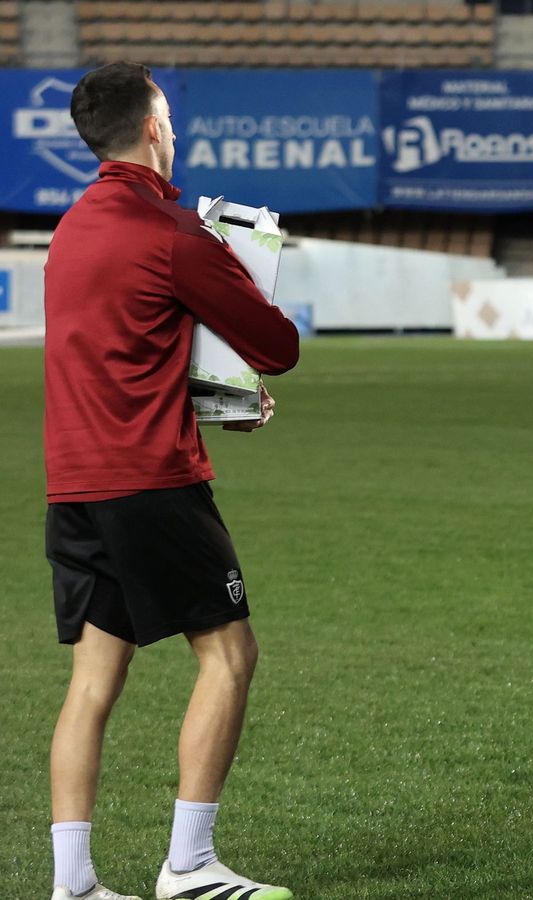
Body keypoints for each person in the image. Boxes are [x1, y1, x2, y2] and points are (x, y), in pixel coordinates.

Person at [42, 63, 300, 900]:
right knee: (230, 655)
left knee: (92, 681)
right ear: (155, 128)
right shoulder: (172, 231)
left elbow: (127, 349)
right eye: (170, 119)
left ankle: (72, 884)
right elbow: (278, 345)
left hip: (75, 483)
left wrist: (215, 399)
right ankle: (188, 866)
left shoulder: (73, 228)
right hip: (149, 480)